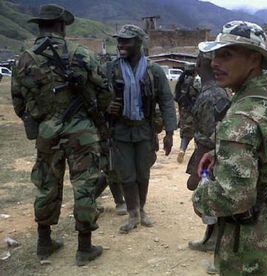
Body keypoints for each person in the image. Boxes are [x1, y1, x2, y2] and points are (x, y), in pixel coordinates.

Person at [193, 21, 267, 275]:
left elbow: (233, 196)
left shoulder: (243, 115)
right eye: (214, 55)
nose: (214, 63)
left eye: (226, 55)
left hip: (247, 239)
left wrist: (200, 196)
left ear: (254, 59)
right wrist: (220, 154)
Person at [11, 4, 111, 266]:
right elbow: (105, 91)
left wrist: (38, 120)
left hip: (47, 130)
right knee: (85, 184)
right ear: (61, 26)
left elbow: (18, 100)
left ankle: (44, 243)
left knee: (46, 184)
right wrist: (92, 114)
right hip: (81, 130)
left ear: (40, 26)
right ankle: (84, 248)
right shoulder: (82, 54)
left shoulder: (25, 58)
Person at [106, 24, 177, 233]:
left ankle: (142, 209)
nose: (121, 45)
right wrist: (106, 106)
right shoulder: (111, 68)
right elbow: (98, 95)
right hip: (120, 130)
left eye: (126, 41)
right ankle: (132, 213)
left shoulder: (153, 71)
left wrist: (170, 132)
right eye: (119, 41)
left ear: (139, 43)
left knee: (142, 173)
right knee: (126, 174)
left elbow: (166, 101)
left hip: (145, 130)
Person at [186, 53, 230, 253]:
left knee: (208, 198)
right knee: (210, 199)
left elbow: (209, 136)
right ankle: (211, 239)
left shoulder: (211, 94)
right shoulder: (216, 91)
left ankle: (218, 246)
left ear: (199, 66)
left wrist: (200, 169)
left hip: (210, 157)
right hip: (212, 154)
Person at [174, 66, 200, 163]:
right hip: (194, 109)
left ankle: (182, 150)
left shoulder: (181, 82)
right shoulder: (195, 82)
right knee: (198, 131)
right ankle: (197, 153)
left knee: (186, 133)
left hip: (184, 110)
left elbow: (177, 97)